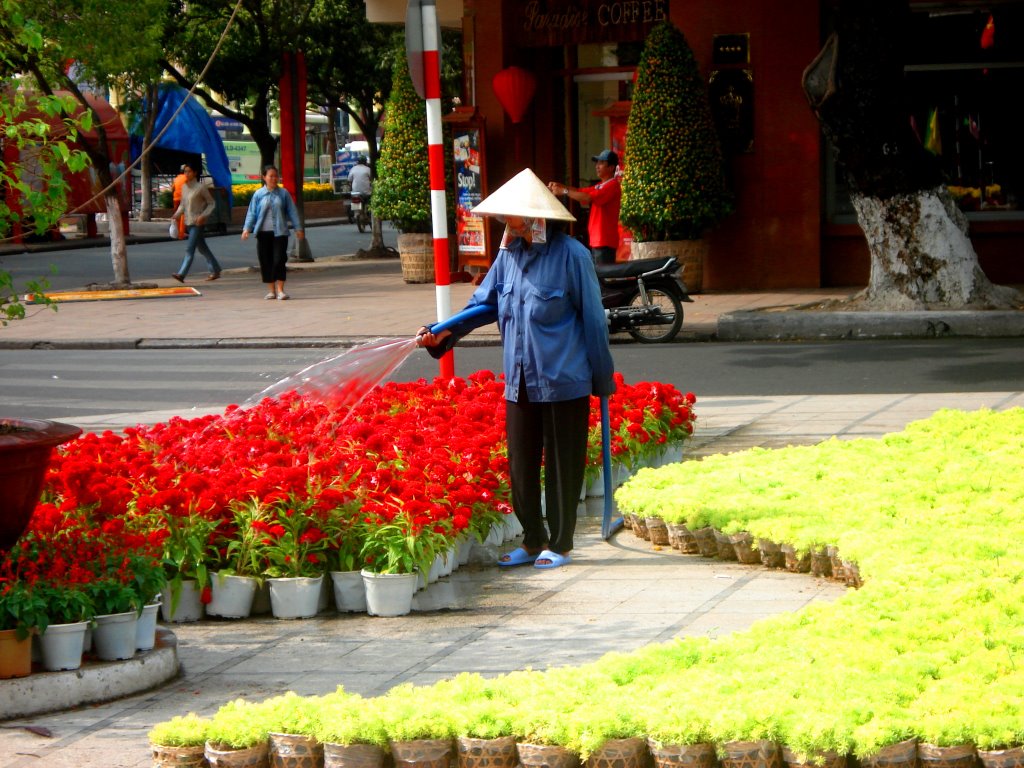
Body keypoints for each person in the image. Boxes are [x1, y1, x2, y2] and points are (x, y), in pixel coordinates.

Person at [416, 168, 615, 570]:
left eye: (513, 217)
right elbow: (483, 305)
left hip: (565, 379)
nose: (507, 224)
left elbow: (594, 321)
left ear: (535, 218)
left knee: (562, 465)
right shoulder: (508, 256)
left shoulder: (571, 256)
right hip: (521, 379)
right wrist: (442, 334)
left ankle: (559, 544)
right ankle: (532, 538)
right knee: (521, 464)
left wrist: (602, 378)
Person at [241, 165, 304, 300]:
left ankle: (281, 290)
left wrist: (298, 228)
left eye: (276, 176)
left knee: (279, 260)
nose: (274, 178)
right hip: (263, 233)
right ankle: (271, 290)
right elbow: (252, 213)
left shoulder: (283, 194)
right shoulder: (258, 194)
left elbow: (292, 212)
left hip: (280, 233)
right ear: (264, 178)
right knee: (266, 261)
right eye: (271, 176)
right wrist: (247, 229)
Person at [547, 149, 621, 265]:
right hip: (598, 240)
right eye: (597, 163)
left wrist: (564, 190)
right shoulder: (600, 186)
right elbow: (580, 191)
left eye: (601, 163)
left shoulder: (612, 185)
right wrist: (560, 186)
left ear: (611, 167)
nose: (597, 166)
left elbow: (586, 198)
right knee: (598, 278)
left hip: (604, 241)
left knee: (602, 279)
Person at [171, 163, 222, 283]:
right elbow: (183, 205)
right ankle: (215, 269)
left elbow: (211, 203)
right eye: (185, 171)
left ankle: (181, 274)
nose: (186, 174)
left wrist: (203, 215)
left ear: (194, 173)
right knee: (202, 248)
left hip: (197, 222)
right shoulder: (184, 187)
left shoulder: (200, 188)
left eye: (189, 171)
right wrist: (176, 215)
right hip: (188, 221)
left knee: (190, 249)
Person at [171, 166, 188, 240]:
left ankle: (176, 233)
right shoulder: (187, 178)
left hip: (175, 199)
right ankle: (181, 234)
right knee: (183, 216)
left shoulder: (176, 178)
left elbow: (172, 188)